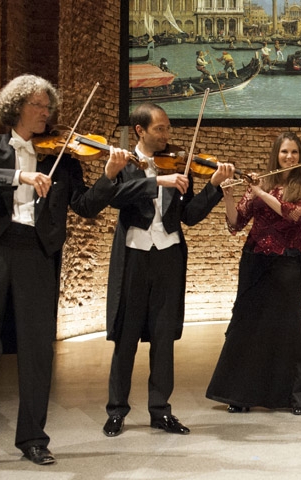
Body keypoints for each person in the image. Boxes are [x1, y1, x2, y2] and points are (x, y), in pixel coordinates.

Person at [0, 75, 129, 476]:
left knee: (38, 352)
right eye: (39, 105)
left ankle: (34, 440)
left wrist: (109, 176)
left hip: (38, 255)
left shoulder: (64, 159)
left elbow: (86, 206)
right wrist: (19, 176)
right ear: (17, 106)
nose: (46, 113)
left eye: (48, 106)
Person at [102, 103, 235, 438]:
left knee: (163, 338)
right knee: (126, 338)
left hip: (167, 258)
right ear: (140, 131)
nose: (166, 135)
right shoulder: (123, 163)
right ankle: (116, 411)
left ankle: (160, 411)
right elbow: (115, 196)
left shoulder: (179, 165)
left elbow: (188, 216)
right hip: (134, 257)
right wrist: (157, 180)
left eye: (167, 129)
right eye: (159, 129)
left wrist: (214, 187)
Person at [206, 132, 301, 415]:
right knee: (248, 326)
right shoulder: (262, 182)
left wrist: (260, 193)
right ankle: (241, 394)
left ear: (299, 156)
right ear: (276, 155)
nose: (289, 157)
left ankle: (293, 397)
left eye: (293, 152)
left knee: (287, 327)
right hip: (254, 259)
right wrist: (228, 194)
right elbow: (235, 223)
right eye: (284, 152)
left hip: (288, 262)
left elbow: (293, 215)